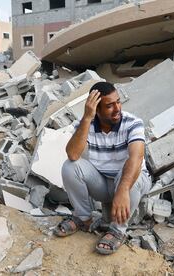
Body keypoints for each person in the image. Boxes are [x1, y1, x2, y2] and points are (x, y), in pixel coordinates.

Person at [54, 81, 151, 255]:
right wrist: (87, 118)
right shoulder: (86, 123)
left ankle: (117, 230)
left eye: (118, 102)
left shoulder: (133, 123)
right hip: (104, 183)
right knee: (70, 167)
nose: (117, 109)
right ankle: (83, 218)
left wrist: (122, 189)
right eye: (109, 106)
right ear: (97, 110)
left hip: (131, 182)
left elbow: (136, 158)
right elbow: (73, 155)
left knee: (129, 171)